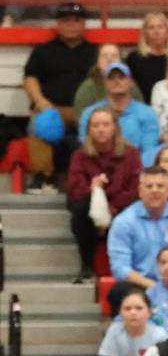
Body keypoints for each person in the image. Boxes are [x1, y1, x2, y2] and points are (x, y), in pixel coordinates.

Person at [22, 3, 96, 190]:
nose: (71, 25)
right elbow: (30, 78)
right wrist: (40, 102)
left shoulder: (96, 52)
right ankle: (42, 177)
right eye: (66, 21)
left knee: (102, 125)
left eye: (75, 20)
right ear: (58, 24)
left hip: (87, 111)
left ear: (83, 24)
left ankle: (90, 178)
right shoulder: (43, 50)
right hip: (53, 109)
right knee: (42, 122)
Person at [66, 106, 142, 283]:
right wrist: (92, 189)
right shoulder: (80, 155)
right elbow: (75, 188)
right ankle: (87, 266)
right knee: (80, 209)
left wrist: (112, 209)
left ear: (115, 127)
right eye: (96, 125)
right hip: (90, 209)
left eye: (105, 124)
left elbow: (135, 188)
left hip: (121, 207)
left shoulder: (131, 153)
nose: (101, 129)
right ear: (89, 130)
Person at [107, 166, 168, 292]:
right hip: (141, 286)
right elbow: (120, 268)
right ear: (140, 191)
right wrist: (156, 288)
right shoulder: (123, 222)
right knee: (118, 291)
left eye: (160, 186)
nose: (154, 190)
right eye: (149, 186)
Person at [78, 61, 160, 156]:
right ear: (105, 83)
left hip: (135, 166)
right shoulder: (89, 113)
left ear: (131, 82)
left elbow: (149, 151)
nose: (117, 81)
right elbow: (87, 147)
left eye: (122, 77)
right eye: (111, 78)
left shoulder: (147, 113)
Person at [73, 42, 145, 124]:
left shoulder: (131, 86)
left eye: (114, 56)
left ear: (121, 61)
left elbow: (142, 117)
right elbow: (81, 120)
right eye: (104, 56)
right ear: (97, 62)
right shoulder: (87, 88)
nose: (109, 60)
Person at [125, 12, 168, 103]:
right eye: (151, 28)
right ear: (145, 32)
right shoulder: (134, 58)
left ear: (167, 31)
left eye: (160, 27)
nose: (156, 32)